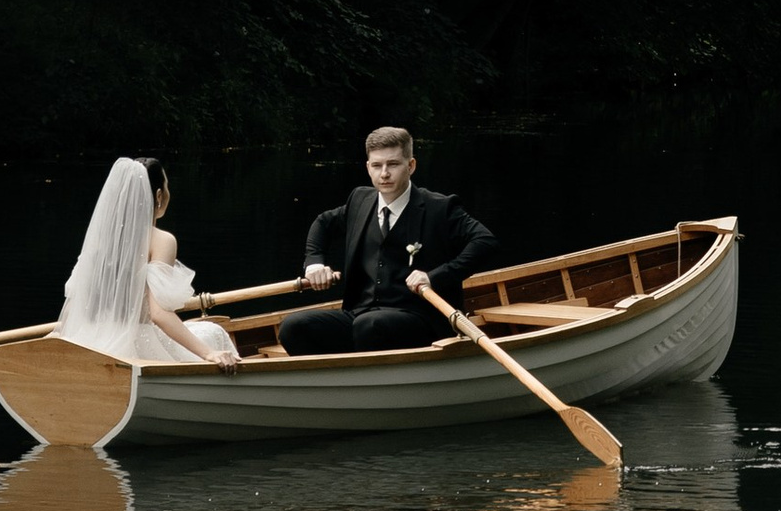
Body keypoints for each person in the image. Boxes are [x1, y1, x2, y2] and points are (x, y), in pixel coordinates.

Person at [278, 125, 497, 353]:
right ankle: (337, 380)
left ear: (410, 165)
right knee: (293, 326)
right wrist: (314, 263)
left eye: (393, 164)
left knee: (370, 326)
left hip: (421, 319)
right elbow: (323, 223)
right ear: (368, 167)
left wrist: (435, 277)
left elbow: (485, 243)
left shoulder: (440, 208)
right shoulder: (360, 200)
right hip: (359, 315)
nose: (384, 173)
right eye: (377, 165)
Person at [57, 153, 240, 365]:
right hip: (136, 344)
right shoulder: (161, 240)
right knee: (214, 332)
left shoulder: (99, 240)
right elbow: (159, 314)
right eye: (168, 186)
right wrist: (208, 353)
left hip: (91, 338)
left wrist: (57, 334)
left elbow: (73, 305)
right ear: (159, 195)